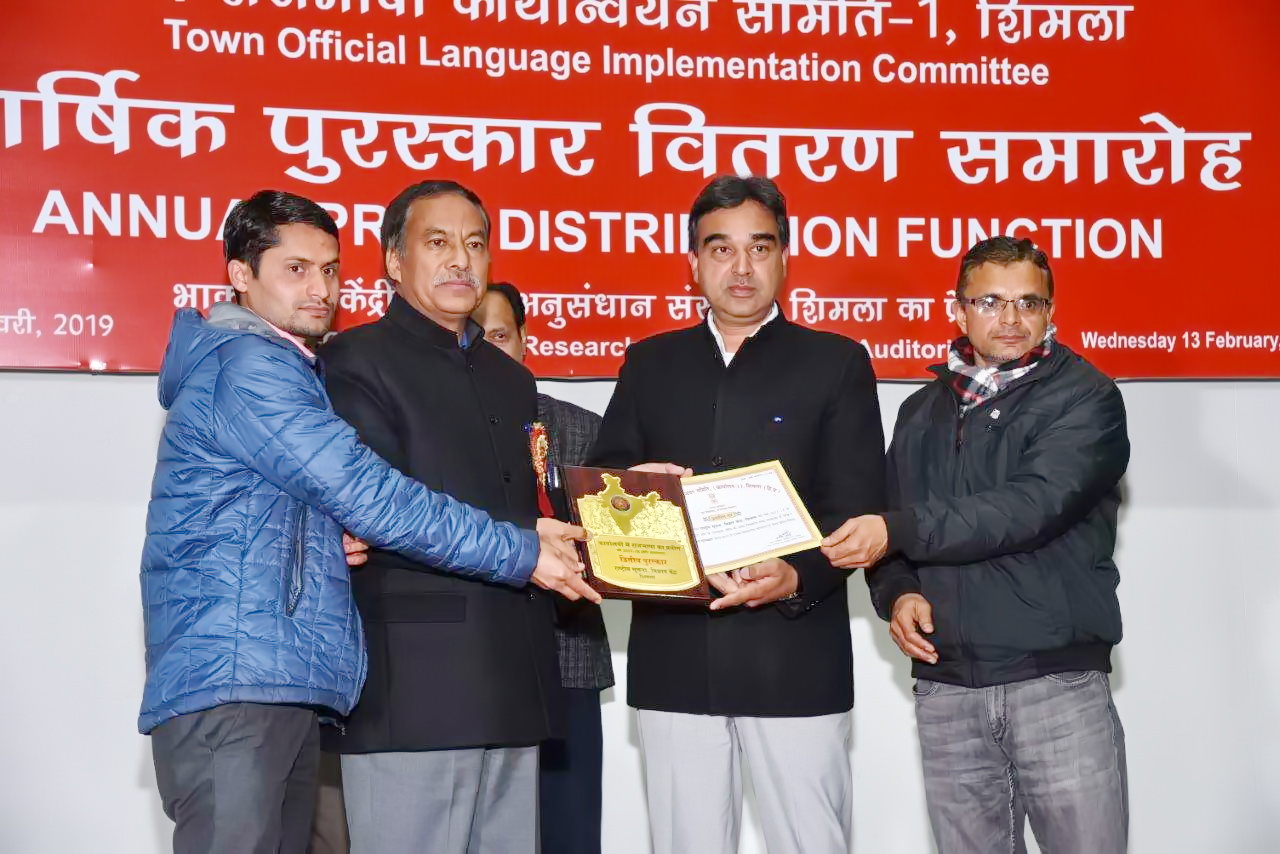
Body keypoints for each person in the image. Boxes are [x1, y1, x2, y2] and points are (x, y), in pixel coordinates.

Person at [140, 190, 591, 854]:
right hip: (241, 677)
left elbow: (310, 506)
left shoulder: (290, 366)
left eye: (329, 269)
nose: (319, 289)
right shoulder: (250, 367)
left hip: (280, 675)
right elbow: (373, 497)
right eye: (296, 269)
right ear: (240, 274)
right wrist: (522, 552)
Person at [587, 175, 886, 854]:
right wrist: (637, 490)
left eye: (760, 247)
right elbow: (603, 496)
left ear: (785, 257)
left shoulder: (836, 363)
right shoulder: (650, 363)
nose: (741, 267)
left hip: (794, 655)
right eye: (721, 249)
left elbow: (855, 507)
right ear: (693, 262)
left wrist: (797, 576)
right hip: (674, 654)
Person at [319, 180, 600, 854]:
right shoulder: (353, 360)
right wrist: (524, 544)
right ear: (394, 261)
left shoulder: (511, 379)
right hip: (417, 687)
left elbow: (526, 509)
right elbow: (385, 510)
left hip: (516, 679)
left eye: (475, 244)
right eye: (438, 242)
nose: (460, 260)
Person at [825, 236, 1130, 854]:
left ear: (1051, 312)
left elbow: (1029, 508)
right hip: (948, 690)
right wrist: (898, 593)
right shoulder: (920, 412)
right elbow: (892, 526)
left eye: (1028, 303)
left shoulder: (1088, 397)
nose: (1011, 318)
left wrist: (896, 531)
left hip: (1055, 684)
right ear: (958, 311)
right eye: (990, 301)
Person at [473, 281, 614, 854]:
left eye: (499, 336)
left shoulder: (584, 429)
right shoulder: (438, 433)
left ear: (524, 339)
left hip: (567, 660)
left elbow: (614, 545)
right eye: (472, 337)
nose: (487, 349)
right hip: (473, 665)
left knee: (568, 834)